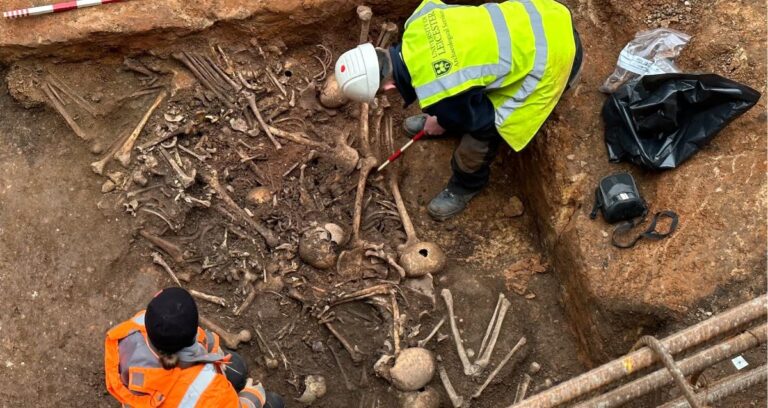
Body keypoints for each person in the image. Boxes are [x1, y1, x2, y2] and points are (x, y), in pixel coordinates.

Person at [335, 0, 584, 220]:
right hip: (545, 14)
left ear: (388, 86)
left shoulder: (438, 90)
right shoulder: (418, 19)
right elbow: (458, 61)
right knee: (460, 95)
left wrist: (445, 116)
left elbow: (481, 122)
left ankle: (466, 186)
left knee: (485, 129)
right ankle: (451, 114)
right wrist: (444, 114)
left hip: (557, 57)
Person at [104, 287, 284, 407]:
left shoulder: (133, 330)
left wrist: (212, 354)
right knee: (273, 402)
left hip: (146, 395)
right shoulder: (207, 392)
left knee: (235, 366)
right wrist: (252, 397)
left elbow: (202, 340)